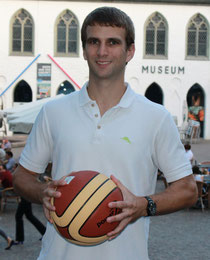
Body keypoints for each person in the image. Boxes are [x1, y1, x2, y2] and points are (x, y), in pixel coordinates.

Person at [13, 7, 197, 260]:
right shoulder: (53, 111)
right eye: (93, 42)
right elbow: (22, 176)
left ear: (129, 51)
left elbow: (187, 189)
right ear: (84, 49)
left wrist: (144, 205)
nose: (102, 51)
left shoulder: (156, 117)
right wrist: (41, 193)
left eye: (113, 42)